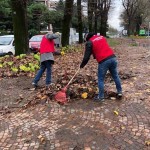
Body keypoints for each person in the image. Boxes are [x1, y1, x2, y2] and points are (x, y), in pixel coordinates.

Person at [80, 33, 122, 102]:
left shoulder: (89, 42)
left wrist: (82, 65)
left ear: (86, 38)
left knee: (101, 79)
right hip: (113, 58)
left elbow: (86, 57)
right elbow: (100, 47)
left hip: (104, 61)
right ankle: (119, 92)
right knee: (115, 76)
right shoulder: (101, 37)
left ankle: (101, 97)